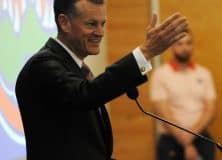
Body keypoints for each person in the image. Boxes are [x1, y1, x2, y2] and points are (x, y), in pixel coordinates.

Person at [15, 0, 189, 160]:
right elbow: (86, 95)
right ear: (64, 23)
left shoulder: (75, 67)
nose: (100, 33)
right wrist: (145, 53)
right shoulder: (42, 65)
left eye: (102, 24)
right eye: (91, 24)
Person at [150, 30, 216, 160]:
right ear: (171, 47)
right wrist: (185, 141)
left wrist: (190, 136)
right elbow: (162, 112)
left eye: (188, 43)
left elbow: (210, 110)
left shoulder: (204, 73)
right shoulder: (161, 74)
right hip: (171, 140)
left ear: (193, 45)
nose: (184, 48)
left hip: (201, 138)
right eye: (179, 44)